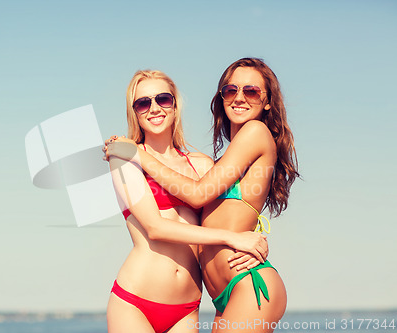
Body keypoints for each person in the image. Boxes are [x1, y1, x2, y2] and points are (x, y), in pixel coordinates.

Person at [106, 58, 299, 332]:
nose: (239, 97)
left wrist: (137, 154)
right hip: (180, 297)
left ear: (175, 105)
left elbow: (199, 197)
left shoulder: (212, 158)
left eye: (251, 91)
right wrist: (239, 237)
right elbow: (159, 227)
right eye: (231, 90)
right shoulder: (126, 159)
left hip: (236, 289)